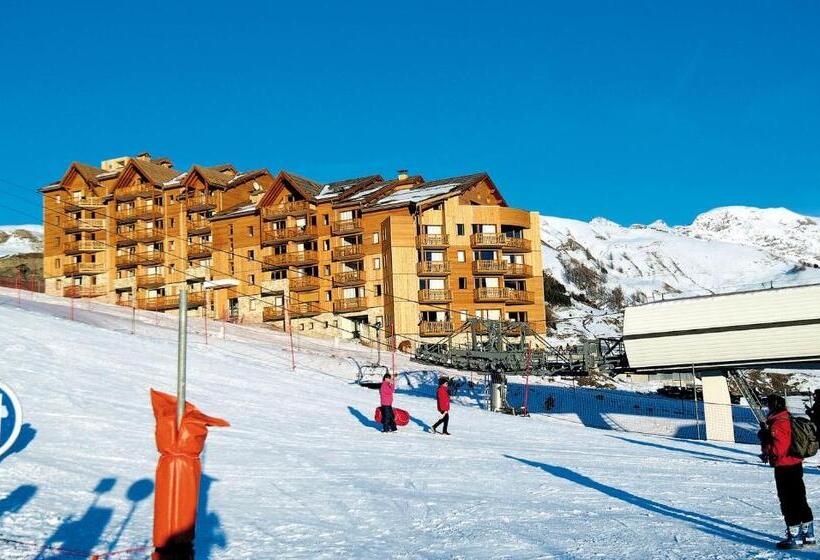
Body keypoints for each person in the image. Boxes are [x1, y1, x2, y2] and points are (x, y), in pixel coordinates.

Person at [759, 394, 815, 549]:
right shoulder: (788, 418)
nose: (766, 409)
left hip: (784, 466)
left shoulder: (778, 423)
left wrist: (766, 440)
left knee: (788, 501)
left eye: (768, 406)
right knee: (799, 498)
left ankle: (795, 536)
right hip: (796, 464)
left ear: (773, 406)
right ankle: (808, 534)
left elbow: (779, 449)